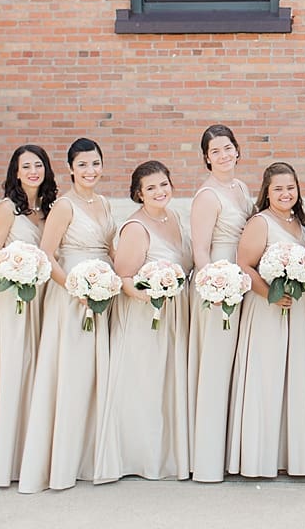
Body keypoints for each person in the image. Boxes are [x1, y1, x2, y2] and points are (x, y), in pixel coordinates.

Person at [18, 138, 116, 493]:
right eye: (83, 165)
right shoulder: (63, 205)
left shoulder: (104, 203)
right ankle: (63, 459)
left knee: (95, 374)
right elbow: (46, 255)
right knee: (72, 373)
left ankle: (92, 454)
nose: (90, 171)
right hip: (71, 294)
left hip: (103, 292)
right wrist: (77, 290)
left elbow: (110, 248)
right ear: (71, 169)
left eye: (95, 163)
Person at [94, 161, 192, 483]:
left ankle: (166, 453)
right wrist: (152, 294)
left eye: (163, 184)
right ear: (138, 193)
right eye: (150, 188)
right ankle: (137, 456)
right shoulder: (135, 228)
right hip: (144, 316)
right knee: (144, 381)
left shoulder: (174, 217)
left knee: (166, 383)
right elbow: (123, 277)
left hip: (173, 313)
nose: (159, 192)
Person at [0, 144, 58, 487]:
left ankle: (29, 452)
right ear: (16, 173)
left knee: (36, 373)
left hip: (43, 301)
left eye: (38, 165)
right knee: (13, 371)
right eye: (26, 166)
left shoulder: (50, 208)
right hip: (13, 302)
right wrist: (17, 273)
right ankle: (3, 458)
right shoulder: (7, 209)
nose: (33, 171)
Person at [226, 162, 305, 478]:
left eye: (290, 187)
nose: (285, 193)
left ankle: (291, 455)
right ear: (267, 191)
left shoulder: (301, 222)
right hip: (267, 310)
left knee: (294, 378)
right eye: (278, 188)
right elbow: (244, 265)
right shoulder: (260, 222)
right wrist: (271, 295)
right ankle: (258, 456)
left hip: (298, 311)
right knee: (266, 376)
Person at [187, 125, 253, 483]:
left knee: (236, 367)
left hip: (242, 281)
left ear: (237, 150)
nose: (224, 155)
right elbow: (200, 250)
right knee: (215, 368)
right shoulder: (207, 196)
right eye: (216, 151)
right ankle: (209, 458)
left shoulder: (241, 189)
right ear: (207, 158)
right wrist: (215, 288)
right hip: (219, 288)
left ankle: (232, 449)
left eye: (228, 148)